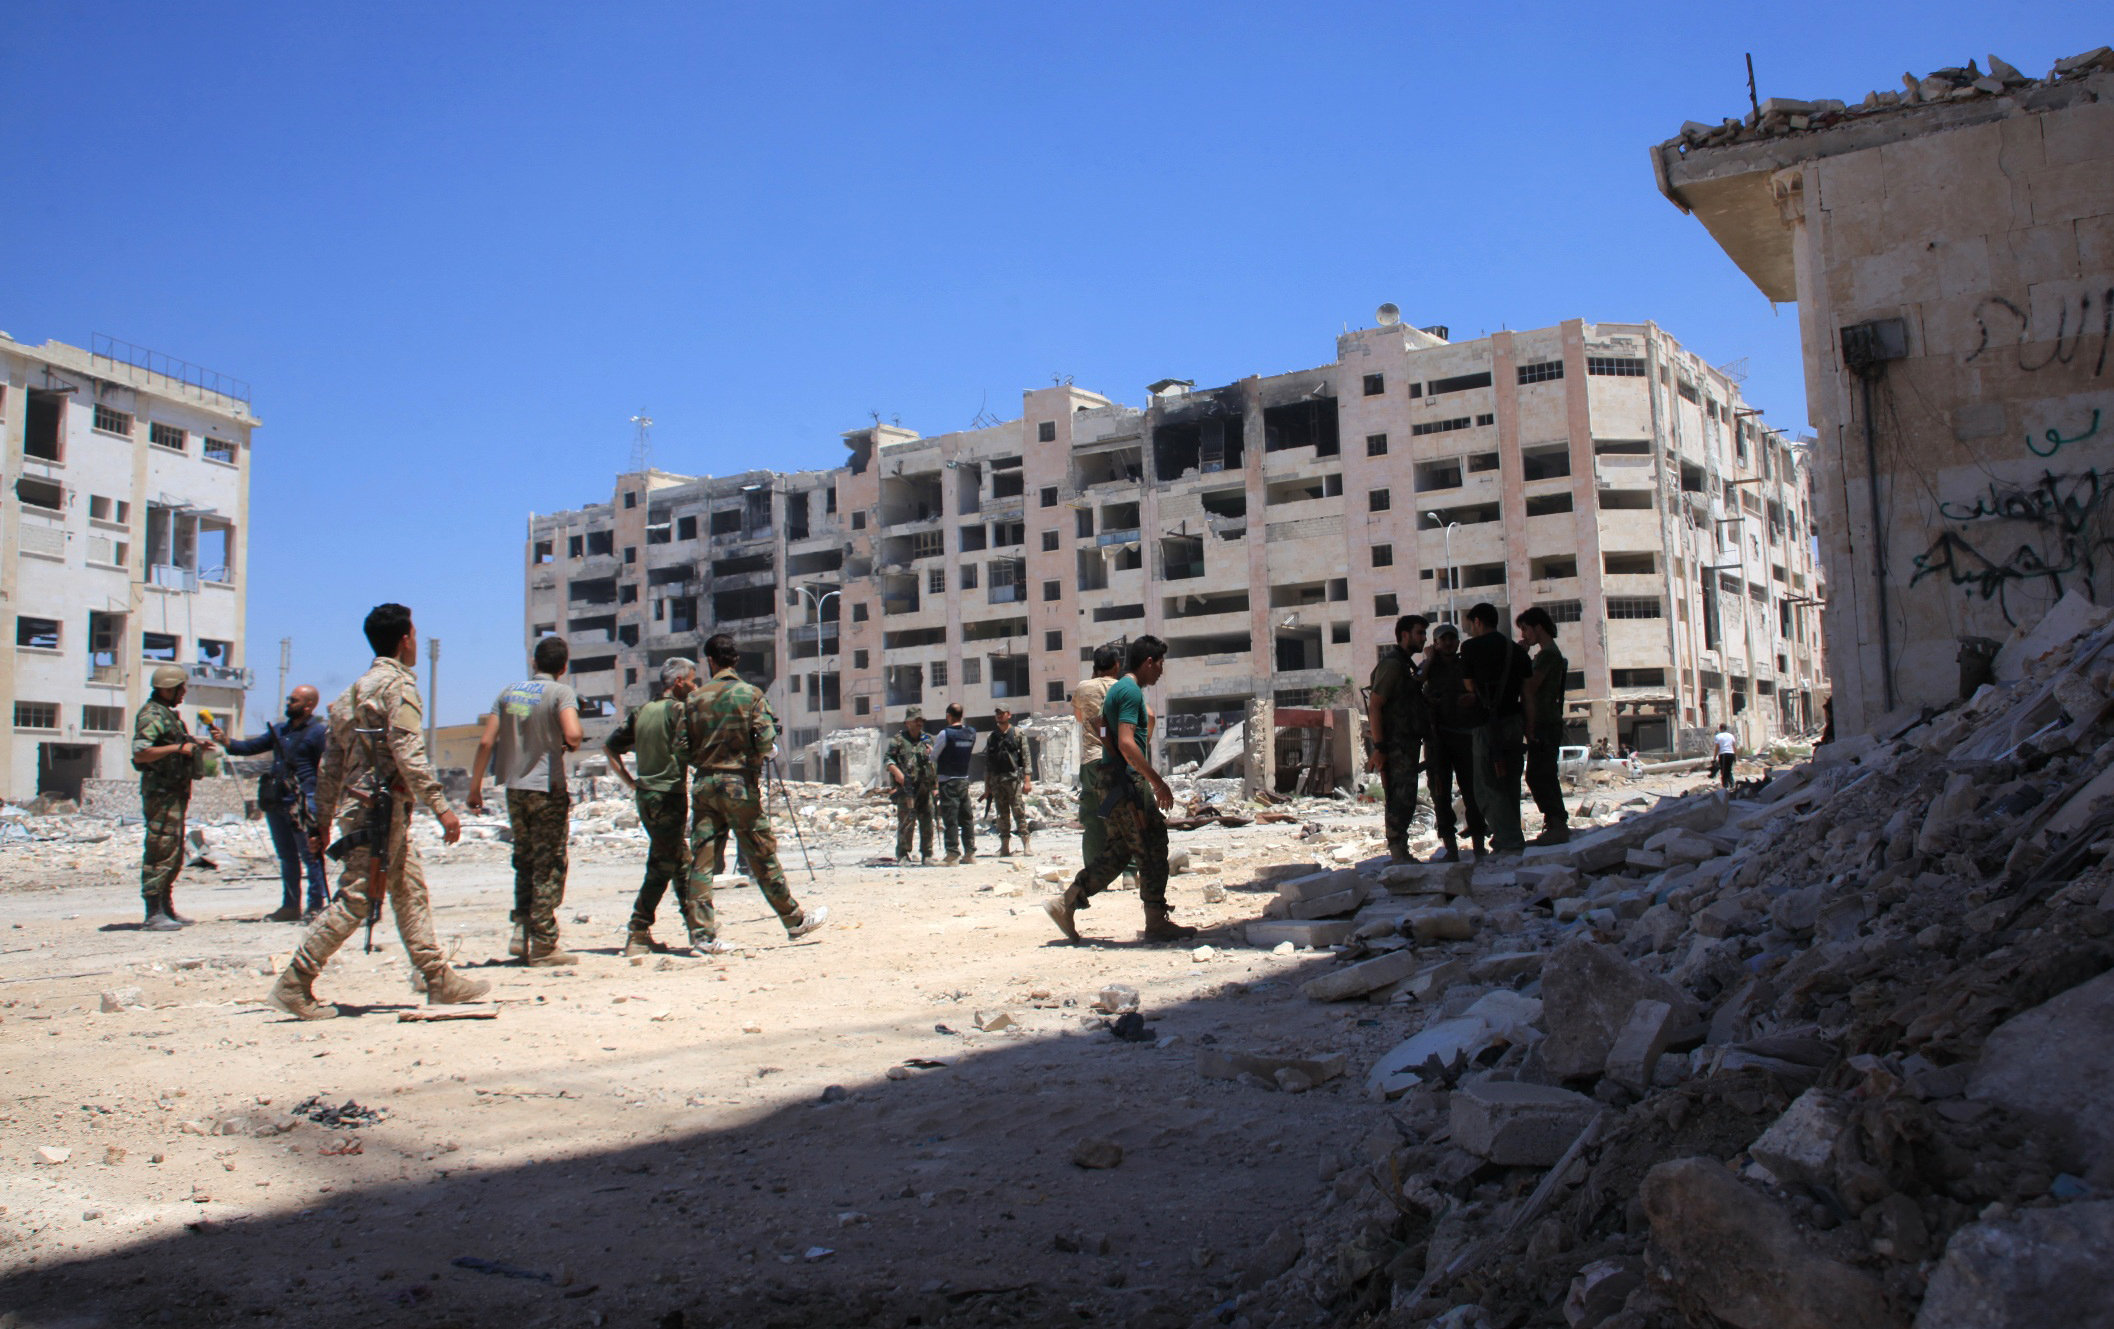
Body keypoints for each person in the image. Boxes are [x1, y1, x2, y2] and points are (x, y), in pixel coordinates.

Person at [266, 603, 489, 1019]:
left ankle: (436, 976)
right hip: (379, 812)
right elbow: (408, 751)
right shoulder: (398, 688)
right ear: (405, 640)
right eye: (414, 635)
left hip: (368, 809)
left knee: (409, 890)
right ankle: (294, 981)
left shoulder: (349, 695)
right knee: (357, 897)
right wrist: (441, 807)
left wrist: (322, 822)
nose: (416, 642)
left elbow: (330, 767)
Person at [1044, 635, 1197, 943]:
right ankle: (1156, 920)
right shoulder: (1128, 691)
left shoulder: (1117, 690)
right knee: (1153, 845)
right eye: (1160, 664)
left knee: (1120, 851)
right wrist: (1157, 781)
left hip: (1112, 778)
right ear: (1148, 662)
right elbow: (1127, 742)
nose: (1161, 671)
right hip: (1128, 782)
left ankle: (1066, 902)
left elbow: (1101, 725)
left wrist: (1111, 758)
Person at [681, 633, 828, 950]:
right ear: (735, 660)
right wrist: (758, 752)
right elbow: (765, 742)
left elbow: (681, 748)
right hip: (739, 786)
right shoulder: (751, 695)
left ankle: (702, 934)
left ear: (710, 661)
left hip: (705, 784)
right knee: (761, 854)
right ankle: (793, 919)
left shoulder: (694, 699)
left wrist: (706, 762)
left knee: (702, 861)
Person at [468, 636, 582, 965]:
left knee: (525, 859)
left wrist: (475, 788)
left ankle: (522, 931)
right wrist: (567, 742)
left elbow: (486, 742)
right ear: (563, 666)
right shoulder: (561, 693)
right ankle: (544, 943)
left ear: (534, 662)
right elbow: (573, 735)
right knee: (549, 864)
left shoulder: (509, 693)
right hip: (546, 788)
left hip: (515, 788)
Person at [607, 657, 706, 956]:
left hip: (646, 797)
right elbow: (694, 750)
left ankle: (698, 929)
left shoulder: (641, 712)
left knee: (679, 860)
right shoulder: (678, 711)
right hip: (668, 797)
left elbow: (610, 747)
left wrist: (630, 782)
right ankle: (638, 929)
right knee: (663, 864)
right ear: (678, 682)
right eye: (692, 681)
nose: (695, 686)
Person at [209, 685, 329, 922]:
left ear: (308, 706)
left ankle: (316, 905)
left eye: (294, 701)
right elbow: (250, 748)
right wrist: (226, 741)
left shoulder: (318, 733)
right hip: (278, 801)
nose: (288, 704)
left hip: (303, 802)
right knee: (286, 857)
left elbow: (327, 767)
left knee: (311, 855)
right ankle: (290, 906)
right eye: (288, 699)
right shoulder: (280, 730)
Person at [131, 664, 217, 930]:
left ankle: (166, 907)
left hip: (174, 793)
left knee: (173, 851)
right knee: (160, 849)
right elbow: (141, 753)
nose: (184, 693)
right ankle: (153, 912)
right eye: (181, 688)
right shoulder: (151, 715)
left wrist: (194, 744)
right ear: (169, 689)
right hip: (161, 794)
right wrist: (179, 748)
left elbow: (167, 743)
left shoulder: (167, 715)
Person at [1460, 602, 1532, 856]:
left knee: (1486, 785)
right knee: (1510, 782)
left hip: (1486, 723)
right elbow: (1527, 691)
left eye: (1471, 624)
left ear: (1478, 621)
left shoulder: (1470, 648)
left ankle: (1508, 840)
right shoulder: (1515, 650)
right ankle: (1511, 837)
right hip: (1514, 721)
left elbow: (1469, 686)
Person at [1420, 624, 1488, 861]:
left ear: (1458, 642)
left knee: (1472, 792)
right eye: (1443, 640)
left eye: (1452, 639)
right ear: (1435, 644)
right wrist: (1430, 659)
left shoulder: (1465, 665)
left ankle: (1479, 844)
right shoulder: (1429, 667)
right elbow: (1416, 682)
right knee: (1440, 794)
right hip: (1437, 739)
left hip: (1464, 735)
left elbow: (1480, 693)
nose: (1448, 643)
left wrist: (1472, 699)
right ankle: (1450, 847)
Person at [1367, 614, 1431, 864]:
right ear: (1405, 635)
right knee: (1400, 796)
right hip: (1396, 744)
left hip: (1406, 742)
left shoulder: (1404, 664)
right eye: (1419, 633)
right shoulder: (1393, 665)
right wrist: (1379, 747)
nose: (1423, 638)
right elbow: (1375, 705)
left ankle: (1400, 849)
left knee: (1406, 794)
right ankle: (1398, 850)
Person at [1071, 644, 1131, 882]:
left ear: (1094, 666)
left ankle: (1096, 877)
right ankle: (1129, 873)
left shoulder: (1083, 688)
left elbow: (1079, 717)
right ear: (1116, 665)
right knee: (1125, 816)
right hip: (1119, 760)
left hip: (1091, 760)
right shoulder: (1125, 688)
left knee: (1093, 819)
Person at [1516, 607, 1571, 845]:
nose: (1524, 634)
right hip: (1544, 720)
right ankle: (1554, 822)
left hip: (1544, 721)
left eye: (1526, 629)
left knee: (1540, 775)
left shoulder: (1548, 655)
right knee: (1541, 773)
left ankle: (1557, 823)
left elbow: (1530, 686)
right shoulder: (1546, 654)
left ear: (1538, 627)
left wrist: (1520, 659)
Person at [885, 707, 937, 865]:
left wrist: (935, 787)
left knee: (927, 821)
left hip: (924, 787)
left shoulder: (927, 740)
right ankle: (903, 854)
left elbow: (934, 764)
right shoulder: (898, 741)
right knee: (907, 821)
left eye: (921, 721)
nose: (919, 723)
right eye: (916, 720)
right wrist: (897, 773)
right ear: (907, 722)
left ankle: (927, 854)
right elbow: (888, 760)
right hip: (907, 789)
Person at [932, 703, 979, 865]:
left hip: (948, 781)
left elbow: (934, 756)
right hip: (963, 779)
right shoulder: (971, 732)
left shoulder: (945, 734)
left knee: (950, 818)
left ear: (948, 716)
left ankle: (952, 854)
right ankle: (970, 853)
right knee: (966, 818)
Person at [985, 705, 1032, 856]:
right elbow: (988, 764)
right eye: (997, 713)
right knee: (1002, 815)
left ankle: (1026, 844)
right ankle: (1004, 846)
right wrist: (987, 786)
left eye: (1002, 713)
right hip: (997, 781)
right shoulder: (992, 737)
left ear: (1009, 715)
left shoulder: (1017, 733)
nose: (999, 716)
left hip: (1013, 780)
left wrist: (1027, 781)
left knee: (1019, 811)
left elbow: (1026, 757)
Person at [1714, 724, 1738, 788]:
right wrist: (1735, 756)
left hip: (1723, 754)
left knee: (1723, 770)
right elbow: (1734, 746)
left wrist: (1714, 757)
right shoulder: (1731, 736)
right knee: (1729, 769)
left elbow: (1717, 747)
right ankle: (1732, 784)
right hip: (1731, 754)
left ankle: (1725, 786)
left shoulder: (1718, 736)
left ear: (1720, 728)